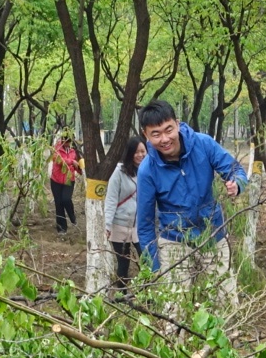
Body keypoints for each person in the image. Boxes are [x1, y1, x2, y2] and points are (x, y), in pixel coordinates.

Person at [135, 100, 248, 314]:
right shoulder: (147, 170)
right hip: (174, 242)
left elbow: (236, 170)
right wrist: (155, 268)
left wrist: (236, 184)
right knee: (174, 309)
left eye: (168, 130)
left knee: (225, 303)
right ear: (145, 135)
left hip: (213, 235)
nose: (164, 139)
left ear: (177, 124)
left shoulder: (203, 144)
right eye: (156, 134)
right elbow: (145, 224)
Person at [104, 136, 146, 294]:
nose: (141, 155)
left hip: (138, 226)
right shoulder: (119, 172)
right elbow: (111, 200)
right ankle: (122, 296)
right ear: (129, 154)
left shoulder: (147, 170)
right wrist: (107, 225)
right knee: (123, 263)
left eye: (143, 151)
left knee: (146, 259)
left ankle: (146, 294)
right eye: (137, 152)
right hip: (119, 225)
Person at [49, 132, 81, 234]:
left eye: (69, 141)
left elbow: (77, 165)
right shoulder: (56, 149)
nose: (67, 143)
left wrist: (80, 169)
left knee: (66, 199)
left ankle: (72, 216)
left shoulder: (73, 151)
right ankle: (61, 228)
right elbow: (59, 160)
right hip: (56, 181)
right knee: (59, 204)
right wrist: (71, 162)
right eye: (66, 141)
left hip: (69, 180)